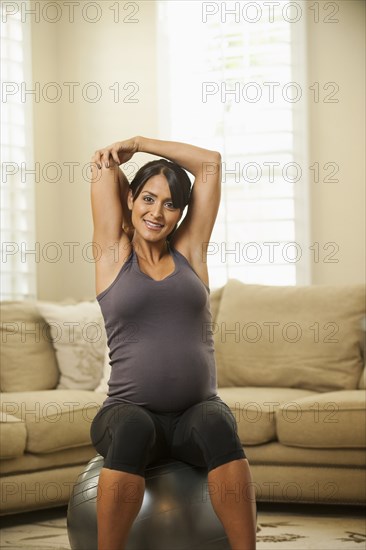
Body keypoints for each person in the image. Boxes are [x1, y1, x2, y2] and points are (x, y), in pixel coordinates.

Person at [89, 136, 257, 550]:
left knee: (218, 422)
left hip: (193, 418)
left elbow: (210, 164)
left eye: (170, 204)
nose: (156, 212)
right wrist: (117, 158)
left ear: (181, 213)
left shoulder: (189, 251)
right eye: (148, 198)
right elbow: (103, 171)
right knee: (130, 426)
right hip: (127, 414)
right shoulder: (113, 254)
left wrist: (142, 142)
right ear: (131, 198)